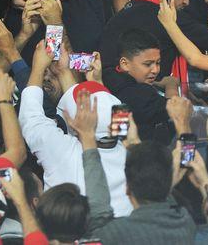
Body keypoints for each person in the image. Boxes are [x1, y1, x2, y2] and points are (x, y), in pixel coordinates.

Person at [20, 40, 134, 217]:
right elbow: (108, 113)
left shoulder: (61, 150)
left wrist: (37, 68)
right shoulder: (132, 155)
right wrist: (69, 73)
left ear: (75, 122)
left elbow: (31, 118)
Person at [88, 140, 197, 244]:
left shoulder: (114, 233)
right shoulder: (185, 221)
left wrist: (87, 139)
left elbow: (99, 223)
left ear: (127, 189)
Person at [101, 29, 184, 142]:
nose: (155, 70)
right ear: (125, 64)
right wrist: (171, 85)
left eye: (158, 63)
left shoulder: (107, 75)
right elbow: (178, 109)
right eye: (147, 64)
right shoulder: (141, 96)